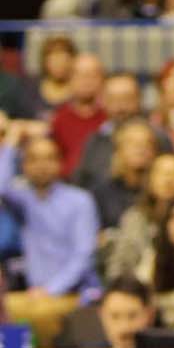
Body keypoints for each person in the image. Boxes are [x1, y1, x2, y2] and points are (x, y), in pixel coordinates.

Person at [0, 128, 101, 345]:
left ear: (60, 163)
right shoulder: (23, 200)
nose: (42, 165)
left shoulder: (80, 201)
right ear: (24, 166)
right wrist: (10, 143)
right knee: (7, 313)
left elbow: (83, 256)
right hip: (33, 296)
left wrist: (52, 289)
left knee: (22, 314)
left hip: (73, 293)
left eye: (49, 158)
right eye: (34, 159)